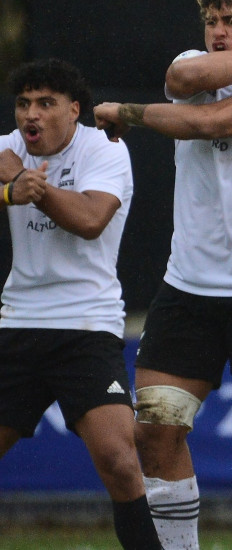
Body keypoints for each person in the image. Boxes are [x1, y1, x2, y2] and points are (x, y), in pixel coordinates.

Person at [90, 1, 232, 547]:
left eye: (230, 21)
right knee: (155, 433)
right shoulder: (199, 64)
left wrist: (128, 111)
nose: (216, 32)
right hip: (186, 286)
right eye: (211, 22)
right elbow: (181, 78)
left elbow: (213, 122)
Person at [0, 58, 159, 550]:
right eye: (24, 104)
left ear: (74, 111)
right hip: (18, 324)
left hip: (87, 327)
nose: (32, 115)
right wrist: (8, 188)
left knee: (120, 462)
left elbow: (91, 219)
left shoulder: (105, 149)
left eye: (46, 104)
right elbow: (9, 179)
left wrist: (34, 190)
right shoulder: (7, 150)